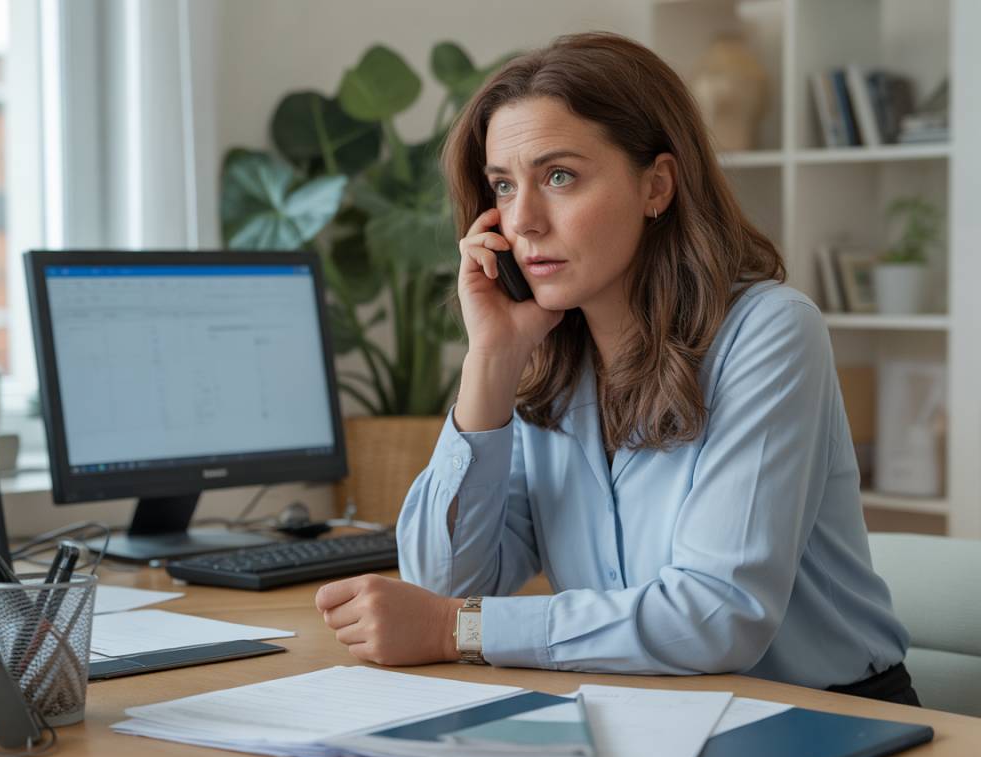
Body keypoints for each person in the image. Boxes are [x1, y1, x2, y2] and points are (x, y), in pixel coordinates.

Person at [314, 31, 919, 705]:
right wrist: (490, 361)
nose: (524, 221)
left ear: (656, 185)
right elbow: (442, 584)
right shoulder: (545, 353)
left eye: (560, 177)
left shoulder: (770, 331)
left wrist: (455, 629)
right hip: (638, 709)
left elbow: (717, 617)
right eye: (503, 186)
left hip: (824, 716)